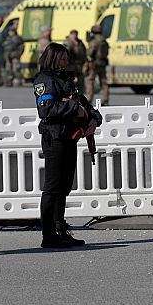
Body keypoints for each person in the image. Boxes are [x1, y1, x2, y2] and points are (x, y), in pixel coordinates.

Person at [33, 43, 102, 248]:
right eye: (61, 58)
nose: (65, 62)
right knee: (53, 188)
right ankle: (48, 233)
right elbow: (46, 110)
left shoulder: (67, 81)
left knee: (64, 188)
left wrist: (94, 120)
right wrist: (74, 108)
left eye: (66, 58)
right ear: (51, 58)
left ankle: (60, 229)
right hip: (54, 139)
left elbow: (85, 105)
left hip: (70, 138)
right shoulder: (44, 81)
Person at [84, 24, 109, 105]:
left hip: (94, 64)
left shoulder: (94, 40)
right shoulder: (104, 40)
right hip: (102, 63)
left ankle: (89, 99)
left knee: (90, 81)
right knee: (104, 82)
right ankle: (105, 99)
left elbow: (90, 52)